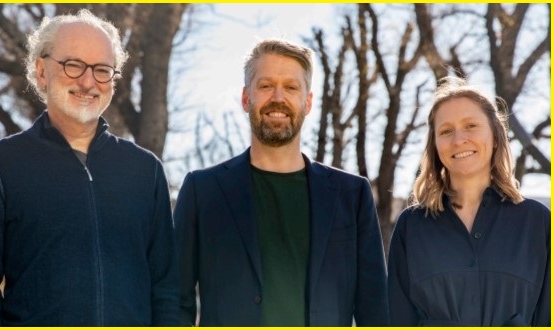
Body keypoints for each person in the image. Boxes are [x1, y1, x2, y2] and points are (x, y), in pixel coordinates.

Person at [0, 9, 179, 326]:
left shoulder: (145, 171)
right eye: (73, 65)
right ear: (41, 71)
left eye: (101, 70)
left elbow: (167, 294)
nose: (87, 81)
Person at [173, 38, 389, 326]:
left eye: (291, 87)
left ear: (307, 102)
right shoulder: (203, 191)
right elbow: (175, 301)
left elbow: (375, 309)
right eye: (265, 86)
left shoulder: (352, 194)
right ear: (246, 98)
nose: (278, 98)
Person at [387, 77, 550, 326]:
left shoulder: (538, 222)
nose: (458, 139)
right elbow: (397, 318)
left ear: (496, 137)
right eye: (446, 131)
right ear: (435, 145)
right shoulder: (411, 226)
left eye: (471, 125)